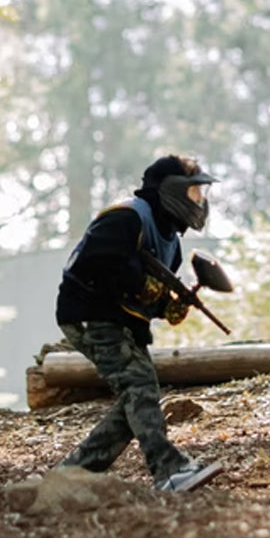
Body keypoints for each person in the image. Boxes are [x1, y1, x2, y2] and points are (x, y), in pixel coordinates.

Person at [54, 154, 224, 492]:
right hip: (90, 313)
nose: (199, 201)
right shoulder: (126, 217)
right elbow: (95, 264)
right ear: (170, 190)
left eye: (200, 194)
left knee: (136, 399)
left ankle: (71, 474)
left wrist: (168, 306)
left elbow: (148, 296)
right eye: (193, 192)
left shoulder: (172, 245)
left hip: (121, 323)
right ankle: (169, 470)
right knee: (140, 387)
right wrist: (141, 284)